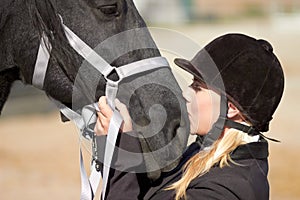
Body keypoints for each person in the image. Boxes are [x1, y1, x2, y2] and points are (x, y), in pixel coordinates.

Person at [94, 33, 285, 199]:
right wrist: (119, 141)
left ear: (231, 108)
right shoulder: (205, 152)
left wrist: (123, 157)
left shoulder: (227, 190)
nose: (186, 94)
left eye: (198, 87)